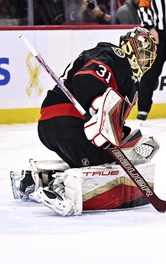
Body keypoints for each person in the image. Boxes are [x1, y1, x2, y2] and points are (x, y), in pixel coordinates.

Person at [11, 27, 158, 216]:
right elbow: (86, 80)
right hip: (68, 123)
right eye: (143, 55)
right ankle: (59, 189)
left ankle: (36, 179)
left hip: (57, 125)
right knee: (109, 163)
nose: (144, 62)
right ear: (131, 47)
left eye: (148, 58)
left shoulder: (130, 82)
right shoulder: (116, 56)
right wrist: (95, 107)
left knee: (96, 158)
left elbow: (110, 116)